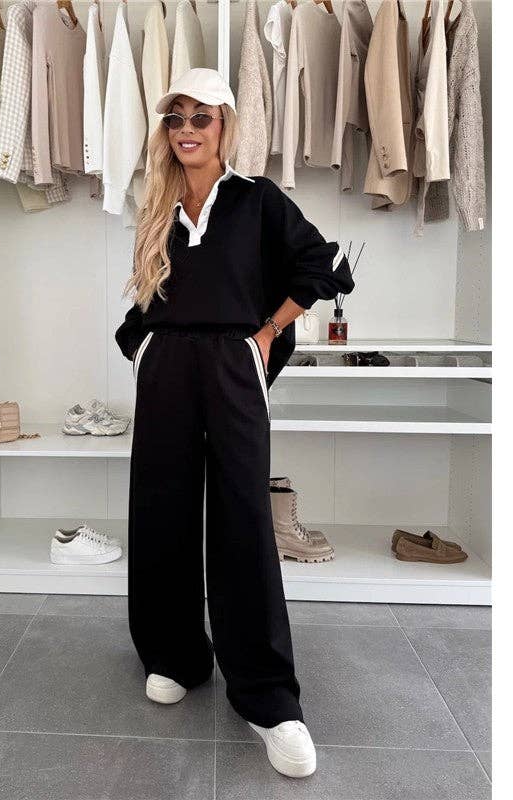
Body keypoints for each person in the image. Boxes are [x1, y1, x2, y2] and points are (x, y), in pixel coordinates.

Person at [115, 68, 355, 778]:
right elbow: (149, 297)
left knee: (243, 519)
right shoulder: (157, 205)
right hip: (166, 369)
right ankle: (174, 655)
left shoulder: (256, 200)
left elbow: (320, 266)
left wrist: (266, 333)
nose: (187, 129)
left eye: (202, 116)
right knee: (161, 508)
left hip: (231, 368)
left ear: (225, 125)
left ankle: (267, 696)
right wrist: (145, 347)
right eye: (176, 117)